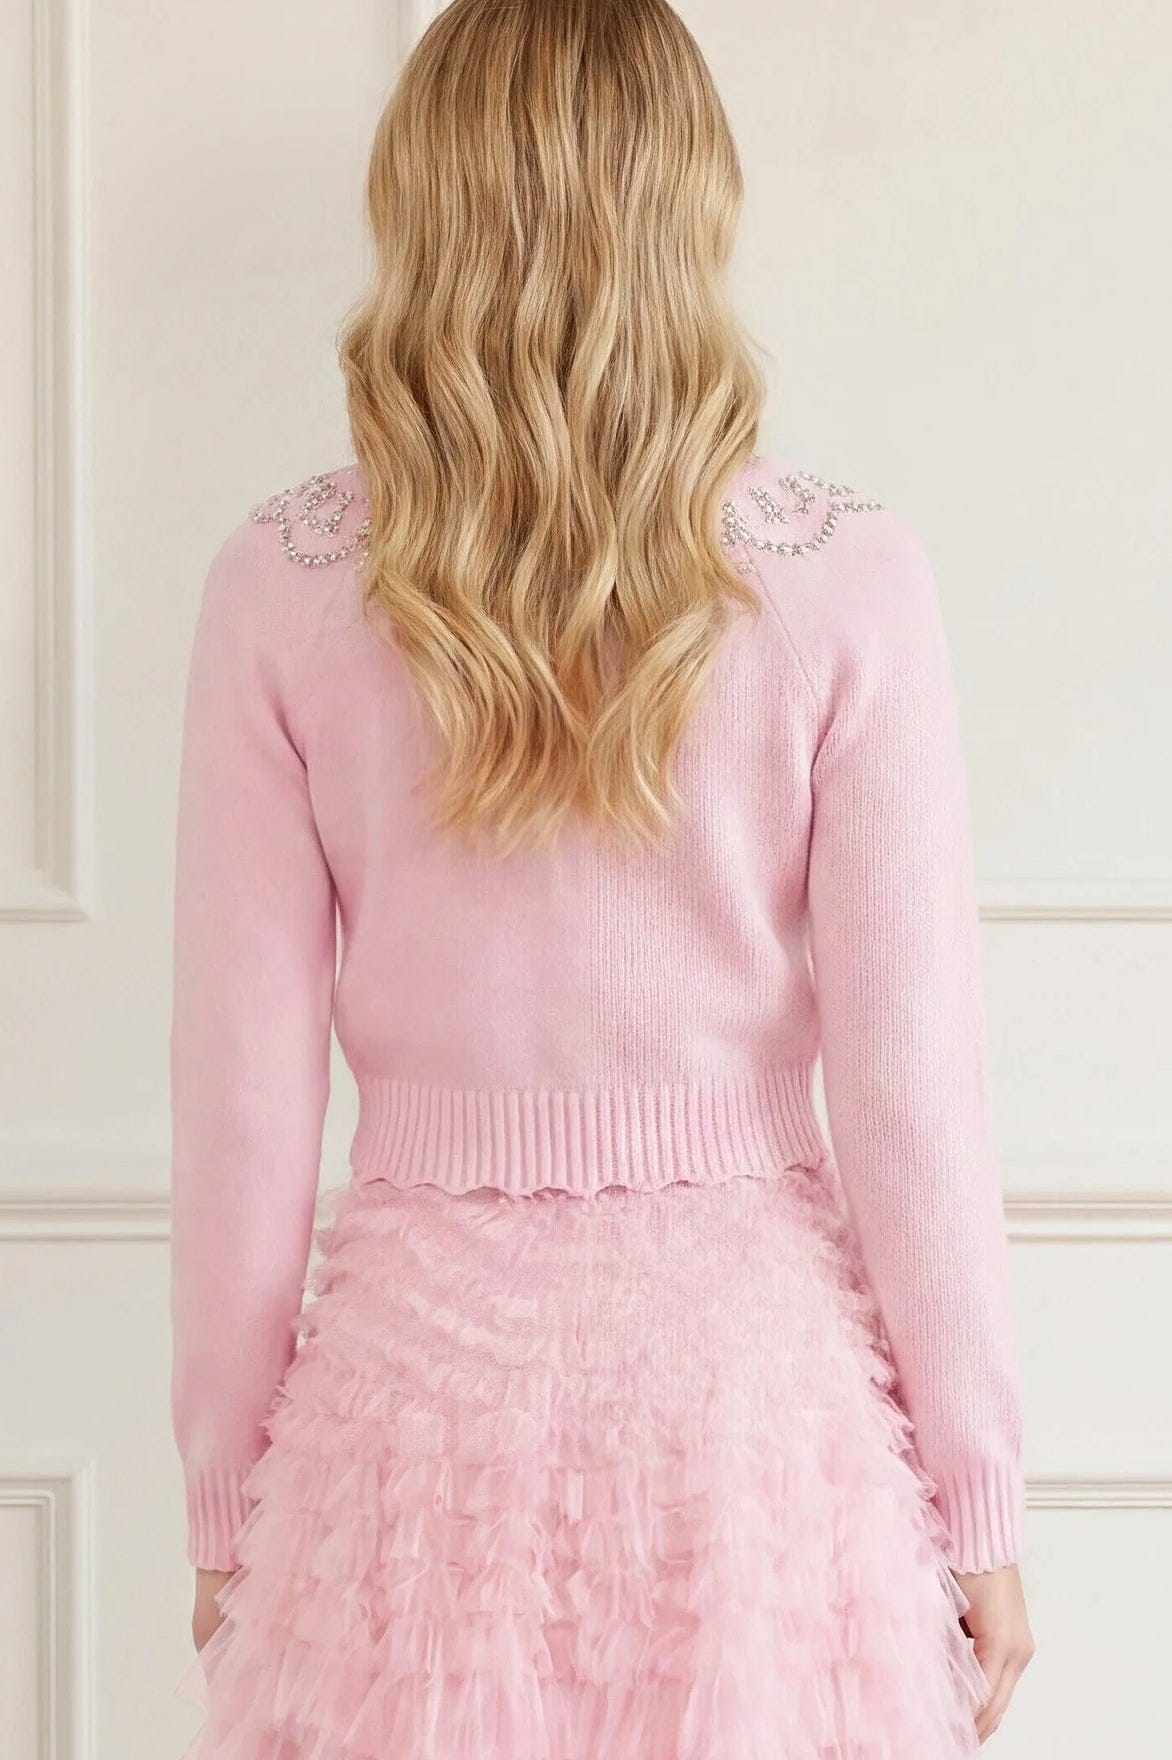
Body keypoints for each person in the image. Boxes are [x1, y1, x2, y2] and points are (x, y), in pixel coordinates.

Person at [169, 2, 1034, 1754]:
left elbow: (242, 1106)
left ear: (420, 202)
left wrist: (225, 1501)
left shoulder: (279, 582)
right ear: (690, 201)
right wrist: (980, 1503)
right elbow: (913, 1098)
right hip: (750, 1423)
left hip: (412, 1432)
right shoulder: (851, 579)